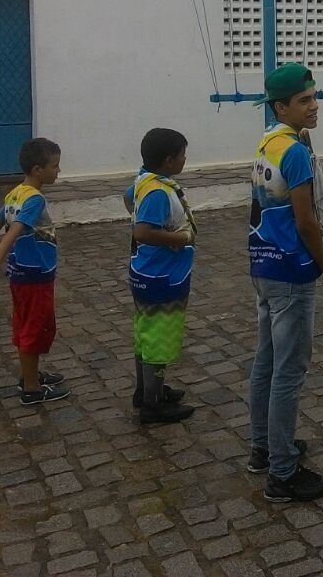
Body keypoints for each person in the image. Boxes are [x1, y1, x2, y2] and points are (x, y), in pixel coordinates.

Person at [247, 62, 323, 502]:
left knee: (266, 361)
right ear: (280, 107)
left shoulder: (269, 142)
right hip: (291, 270)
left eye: (314, 96)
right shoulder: (296, 151)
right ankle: (282, 473)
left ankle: (264, 447)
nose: (314, 105)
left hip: (264, 263)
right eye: (303, 100)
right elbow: (306, 221)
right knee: (288, 370)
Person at [0, 138, 69, 405]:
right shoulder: (34, 199)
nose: (58, 170)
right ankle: (31, 388)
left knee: (26, 323)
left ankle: (31, 374)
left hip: (22, 274)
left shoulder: (15, 193)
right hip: (35, 275)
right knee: (34, 327)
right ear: (37, 170)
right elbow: (14, 230)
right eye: (54, 166)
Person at [129, 128, 196, 425]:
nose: (185, 159)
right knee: (159, 339)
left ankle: (146, 390)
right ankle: (152, 405)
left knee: (146, 333)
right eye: (182, 155)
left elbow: (128, 198)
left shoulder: (145, 180)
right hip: (162, 275)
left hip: (148, 271)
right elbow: (142, 231)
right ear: (169, 160)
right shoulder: (157, 192)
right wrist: (177, 238)